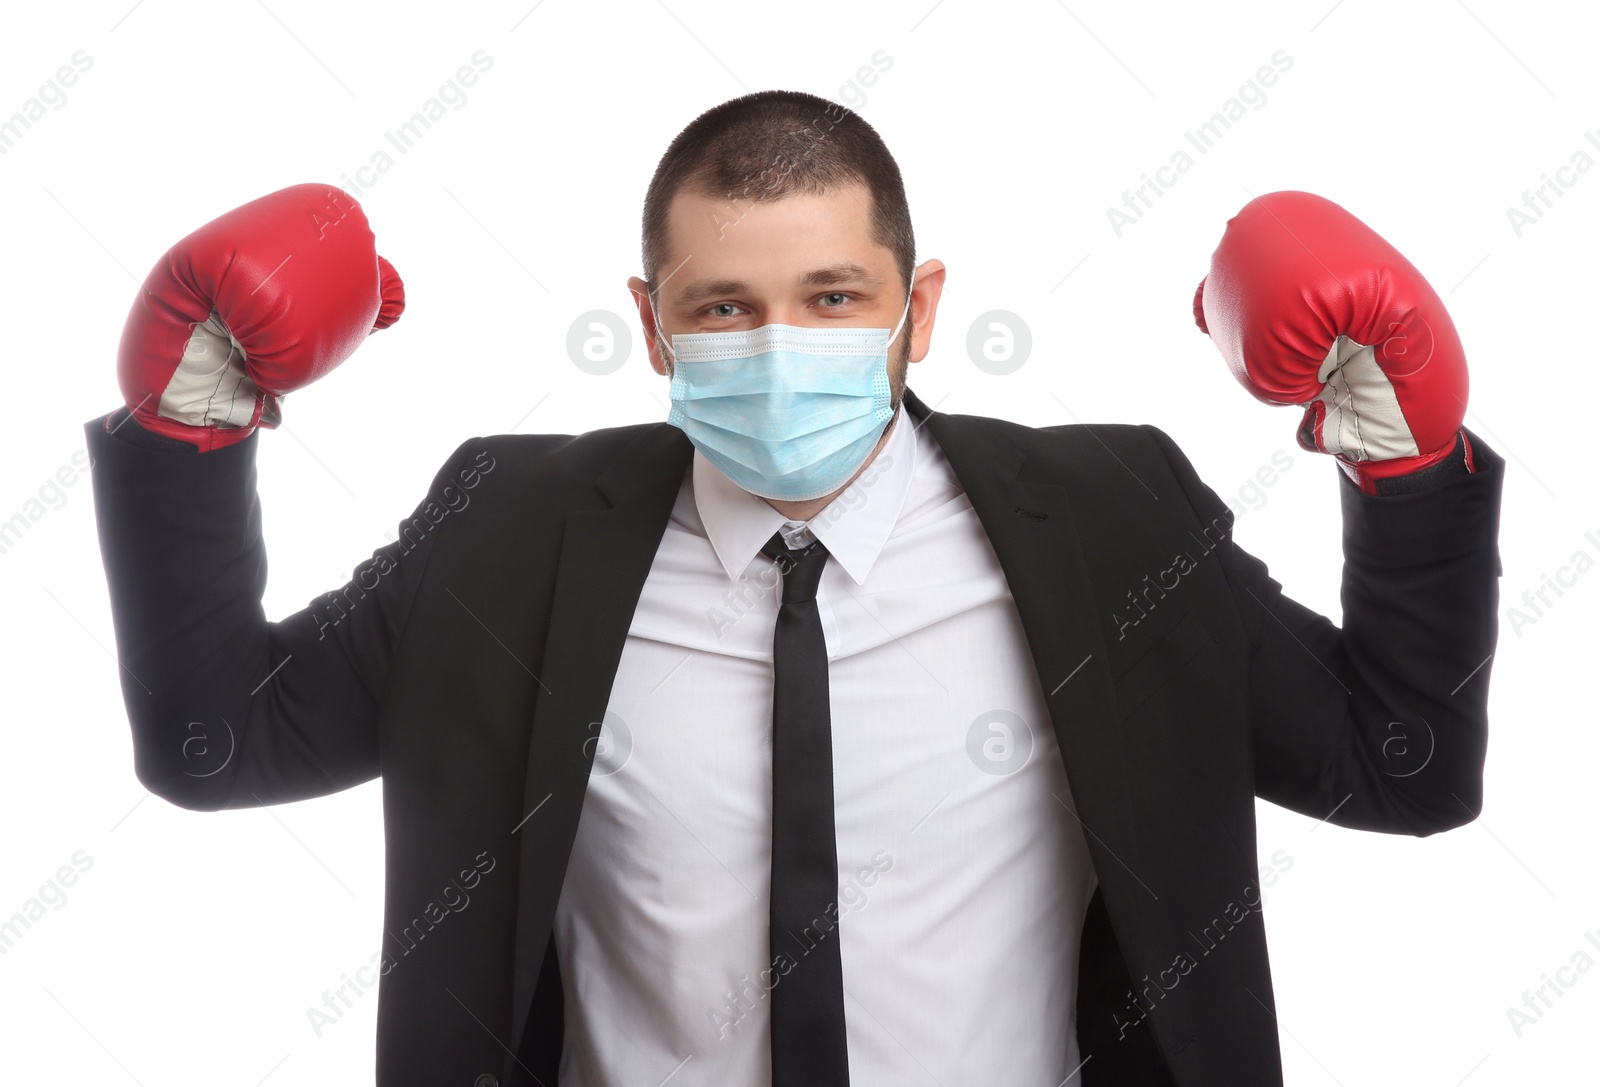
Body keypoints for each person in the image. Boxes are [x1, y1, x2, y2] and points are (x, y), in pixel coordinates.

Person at [85, 90, 1503, 1087]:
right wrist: (191, 419)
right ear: (650, 325)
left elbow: (1404, 770)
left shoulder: (1113, 517)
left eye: (832, 298)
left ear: (918, 307)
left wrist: (1400, 455)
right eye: (723, 307)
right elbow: (222, 742)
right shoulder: (506, 530)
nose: (780, 345)